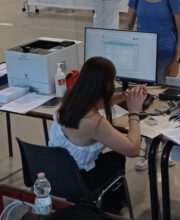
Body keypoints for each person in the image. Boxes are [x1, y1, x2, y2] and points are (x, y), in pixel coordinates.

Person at [49, 57, 147, 214]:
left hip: (60, 172)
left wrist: (124, 96)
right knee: (117, 158)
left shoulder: (70, 99)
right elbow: (133, 149)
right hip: (80, 181)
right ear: (106, 87)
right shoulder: (94, 123)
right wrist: (134, 111)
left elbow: (97, 102)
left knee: (111, 157)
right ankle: (109, 209)